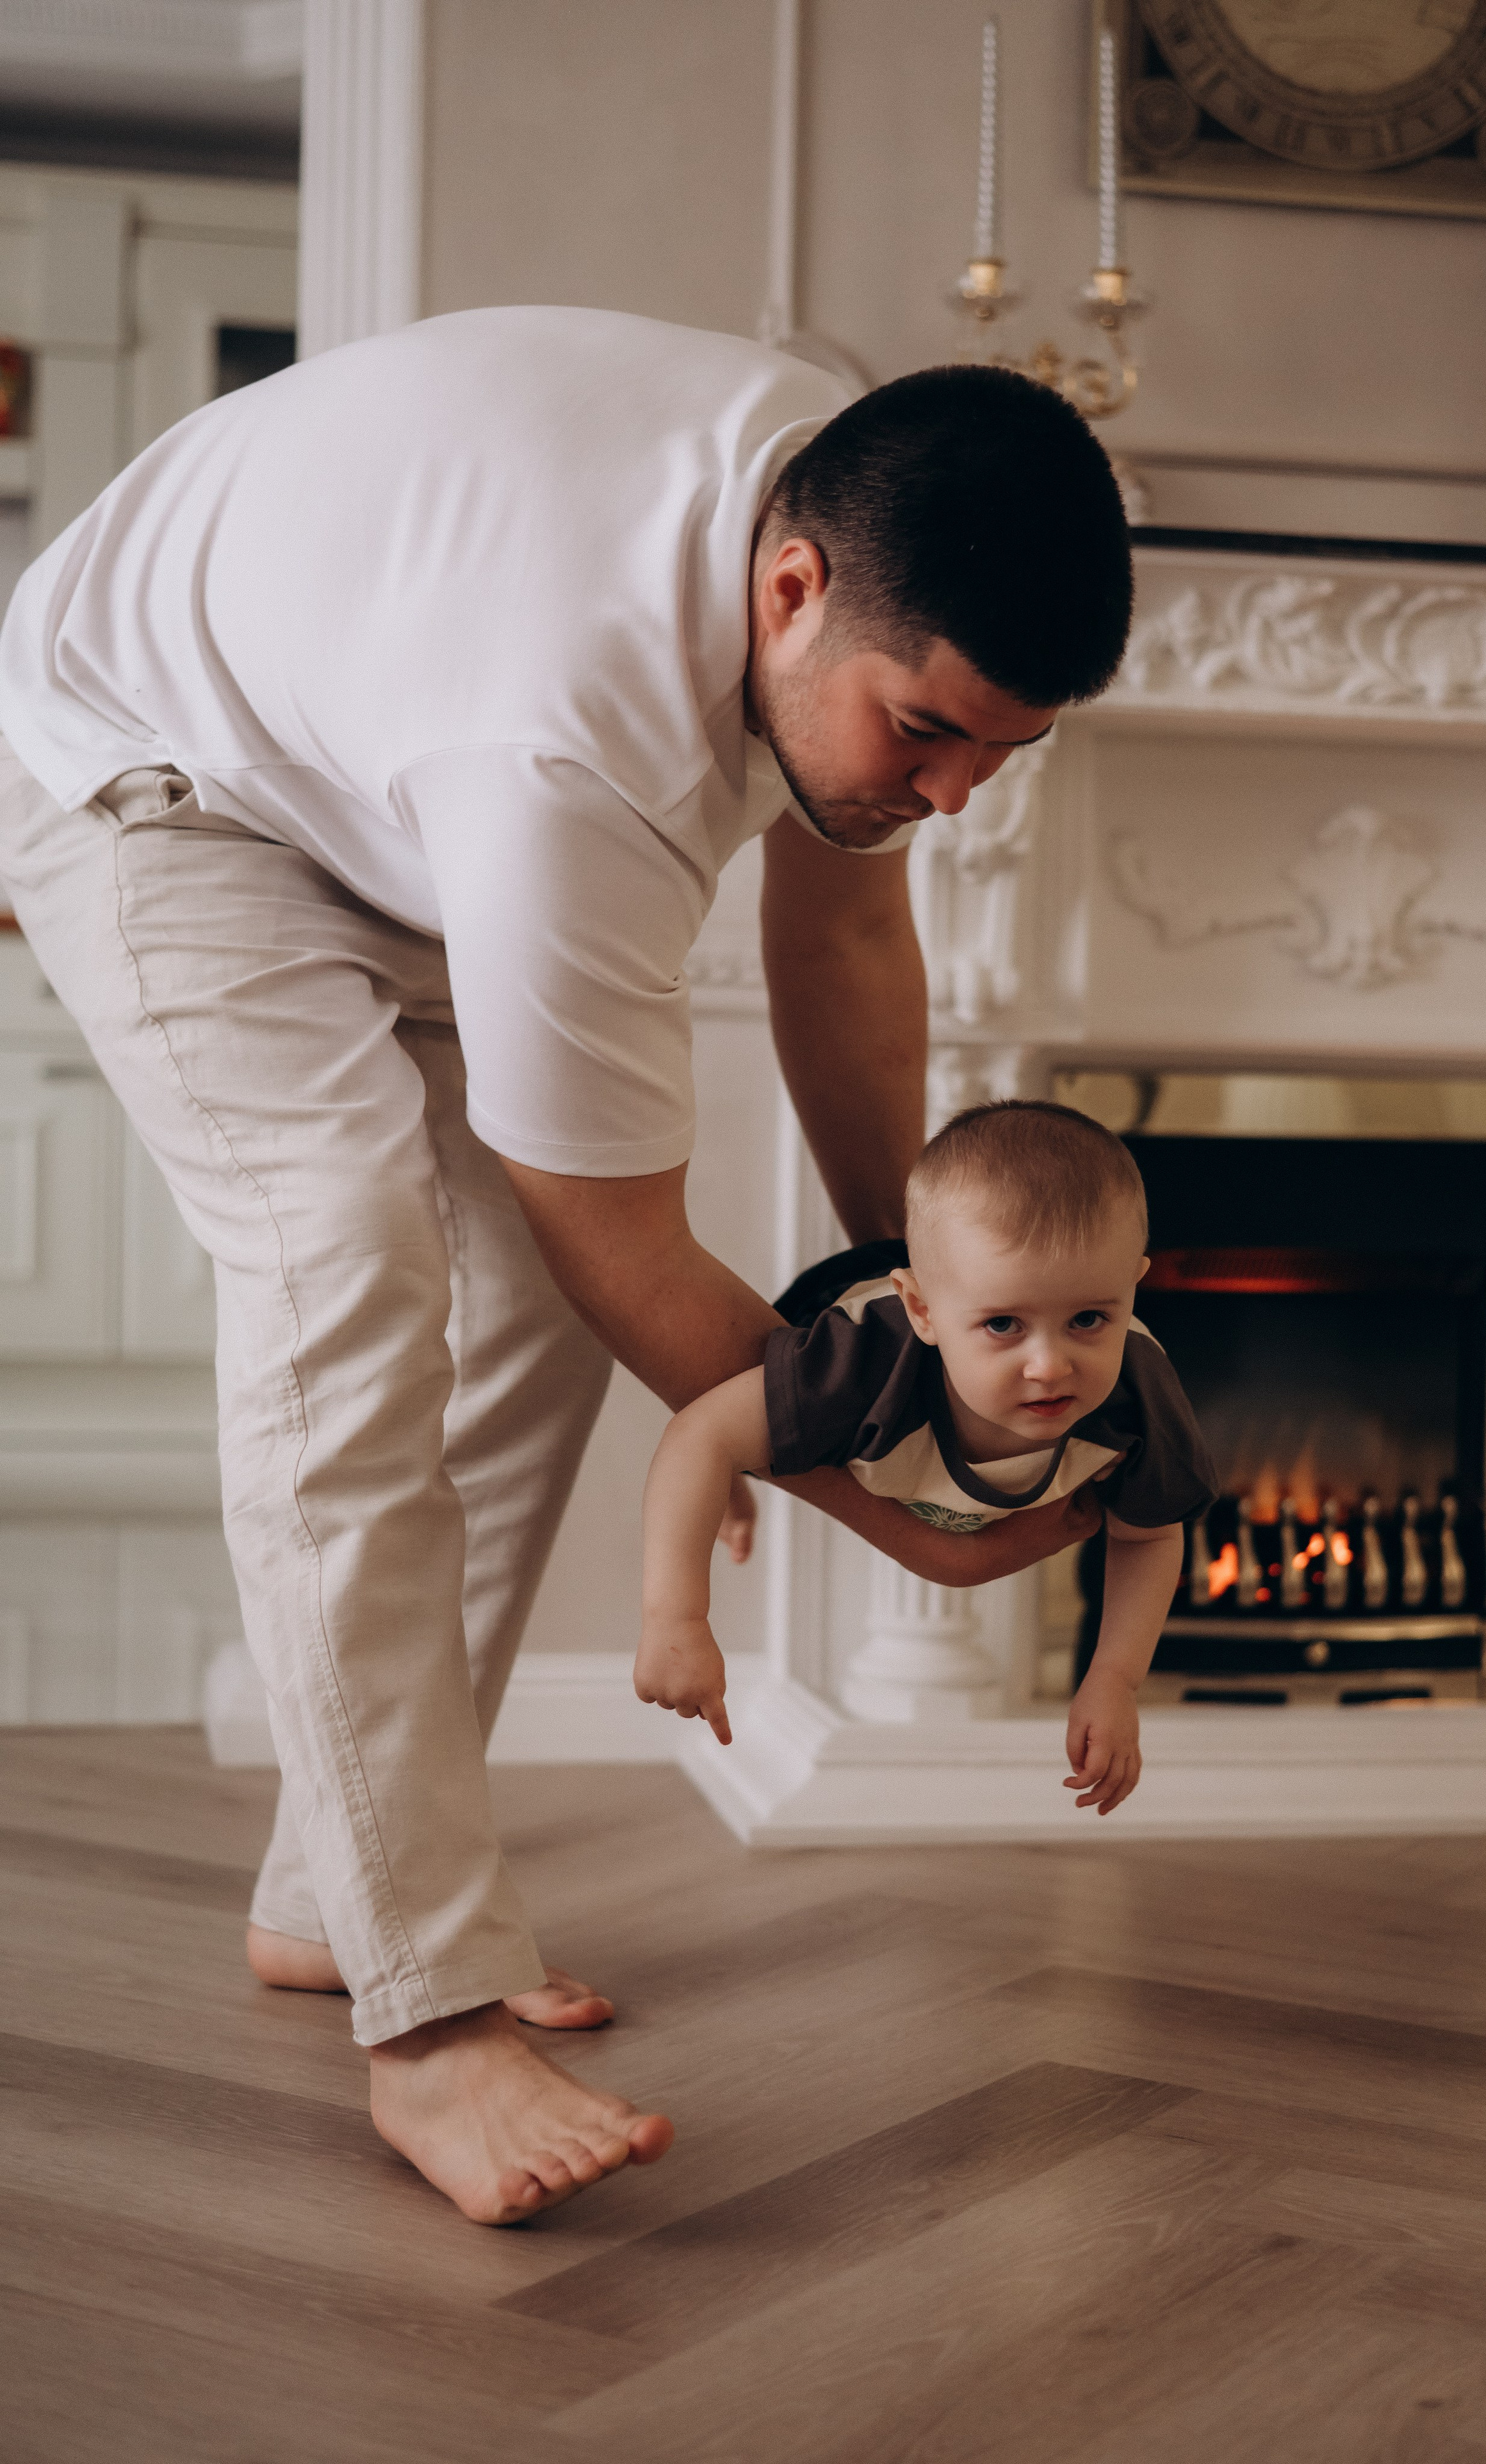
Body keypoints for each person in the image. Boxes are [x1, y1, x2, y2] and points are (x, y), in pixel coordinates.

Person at [0, 309, 1134, 2226]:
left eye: (997, 759)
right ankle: (424, 2011)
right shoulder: (567, 736)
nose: (951, 796)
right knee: (344, 1270)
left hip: (376, 754)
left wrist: (910, 1302)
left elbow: (844, 950)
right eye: (930, 737)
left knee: (515, 1308)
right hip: (150, 759)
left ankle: (333, 1886)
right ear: (787, 588)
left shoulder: (853, 544)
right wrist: (909, 1493)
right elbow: (618, 1234)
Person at [638, 1100, 1216, 1809]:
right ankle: (733, 1489)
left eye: (1089, 1319)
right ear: (922, 1311)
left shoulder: (1139, 1402)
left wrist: (1114, 1678)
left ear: (1133, 1286)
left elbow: (1150, 1536)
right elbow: (700, 1431)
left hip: (931, 1442)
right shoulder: (855, 1365)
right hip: (833, 1333)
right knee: (737, 1424)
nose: (1049, 1365)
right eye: (1003, 1324)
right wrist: (677, 1617)